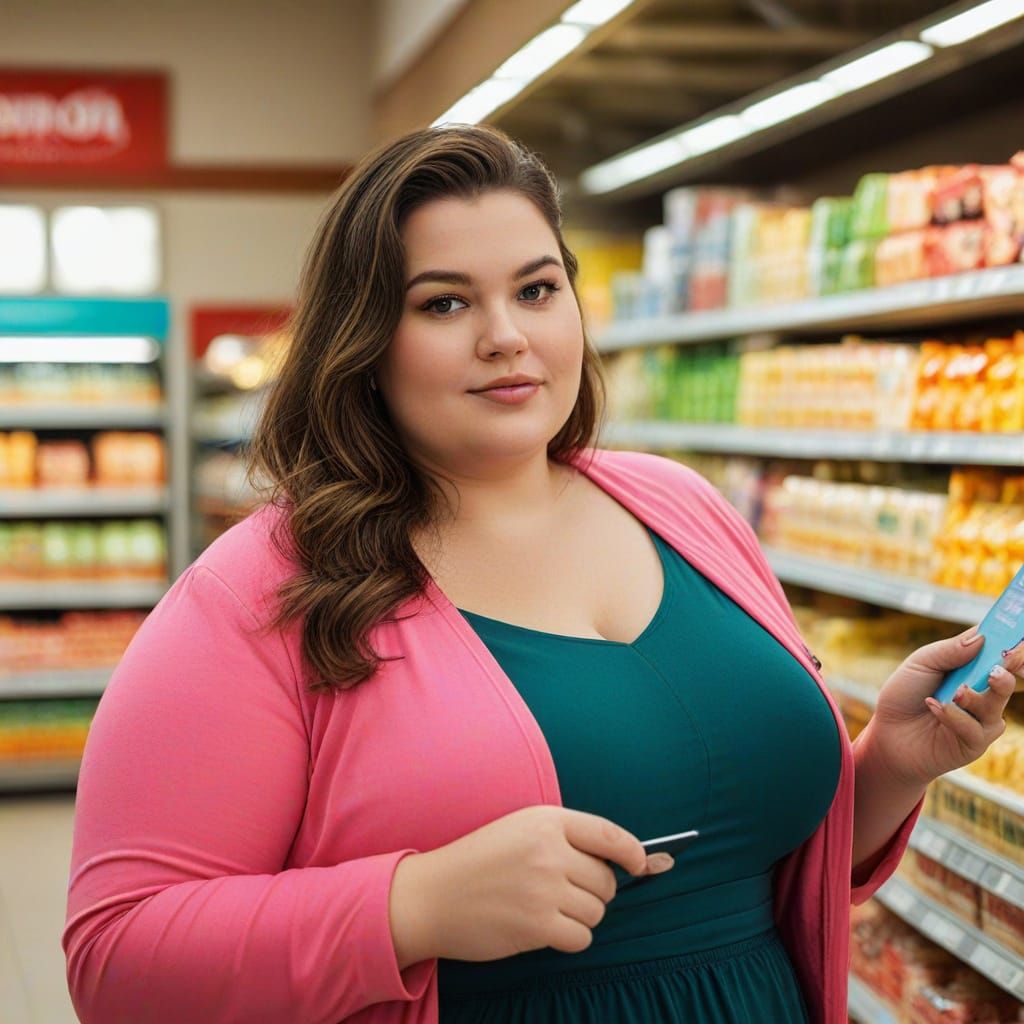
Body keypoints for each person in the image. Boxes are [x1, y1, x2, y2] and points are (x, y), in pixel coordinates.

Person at [63, 124, 1022, 1024]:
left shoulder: (683, 510)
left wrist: (891, 766)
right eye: (444, 302)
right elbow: (116, 953)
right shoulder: (265, 586)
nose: (505, 336)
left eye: (536, 289)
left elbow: (751, 861)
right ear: (362, 341)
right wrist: (412, 906)